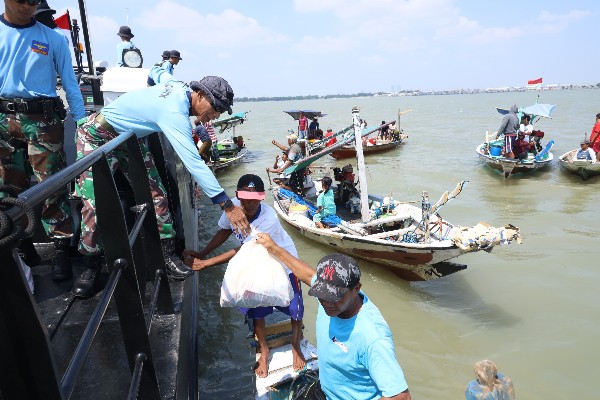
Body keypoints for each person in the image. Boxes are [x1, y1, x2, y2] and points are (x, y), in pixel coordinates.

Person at [72, 76, 250, 298]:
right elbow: (194, 163)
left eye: (222, 111)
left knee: (157, 195)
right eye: (217, 108)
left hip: (128, 139)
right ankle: (90, 265)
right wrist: (227, 205)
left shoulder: (180, 89)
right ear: (200, 95)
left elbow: (161, 75)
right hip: (96, 135)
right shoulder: (175, 114)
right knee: (94, 204)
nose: (217, 115)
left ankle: (167, 256)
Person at [253, 237, 412, 400]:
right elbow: (307, 275)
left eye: (335, 296)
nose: (326, 303)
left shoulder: (372, 338)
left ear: (356, 289)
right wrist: (274, 248)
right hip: (326, 390)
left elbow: (401, 396)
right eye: (322, 295)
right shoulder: (331, 295)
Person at [182, 174, 306, 378]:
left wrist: (205, 263)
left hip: (283, 262)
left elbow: (241, 250)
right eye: (244, 199)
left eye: (254, 199)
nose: (249, 204)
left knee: (295, 309)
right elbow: (224, 231)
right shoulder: (231, 210)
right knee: (256, 307)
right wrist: (202, 252)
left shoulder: (268, 218)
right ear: (237, 197)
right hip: (256, 262)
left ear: (262, 198)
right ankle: (264, 351)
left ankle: (295, 346)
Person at [1, 0, 86, 279]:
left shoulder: (53, 39)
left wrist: (82, 124)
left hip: (43, 120)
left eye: (34, 0)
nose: (27, 6)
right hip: (2, 120)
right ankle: (21, 245)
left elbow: (71, 84)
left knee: (52, 187)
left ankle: (61, 249)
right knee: (7, 188)